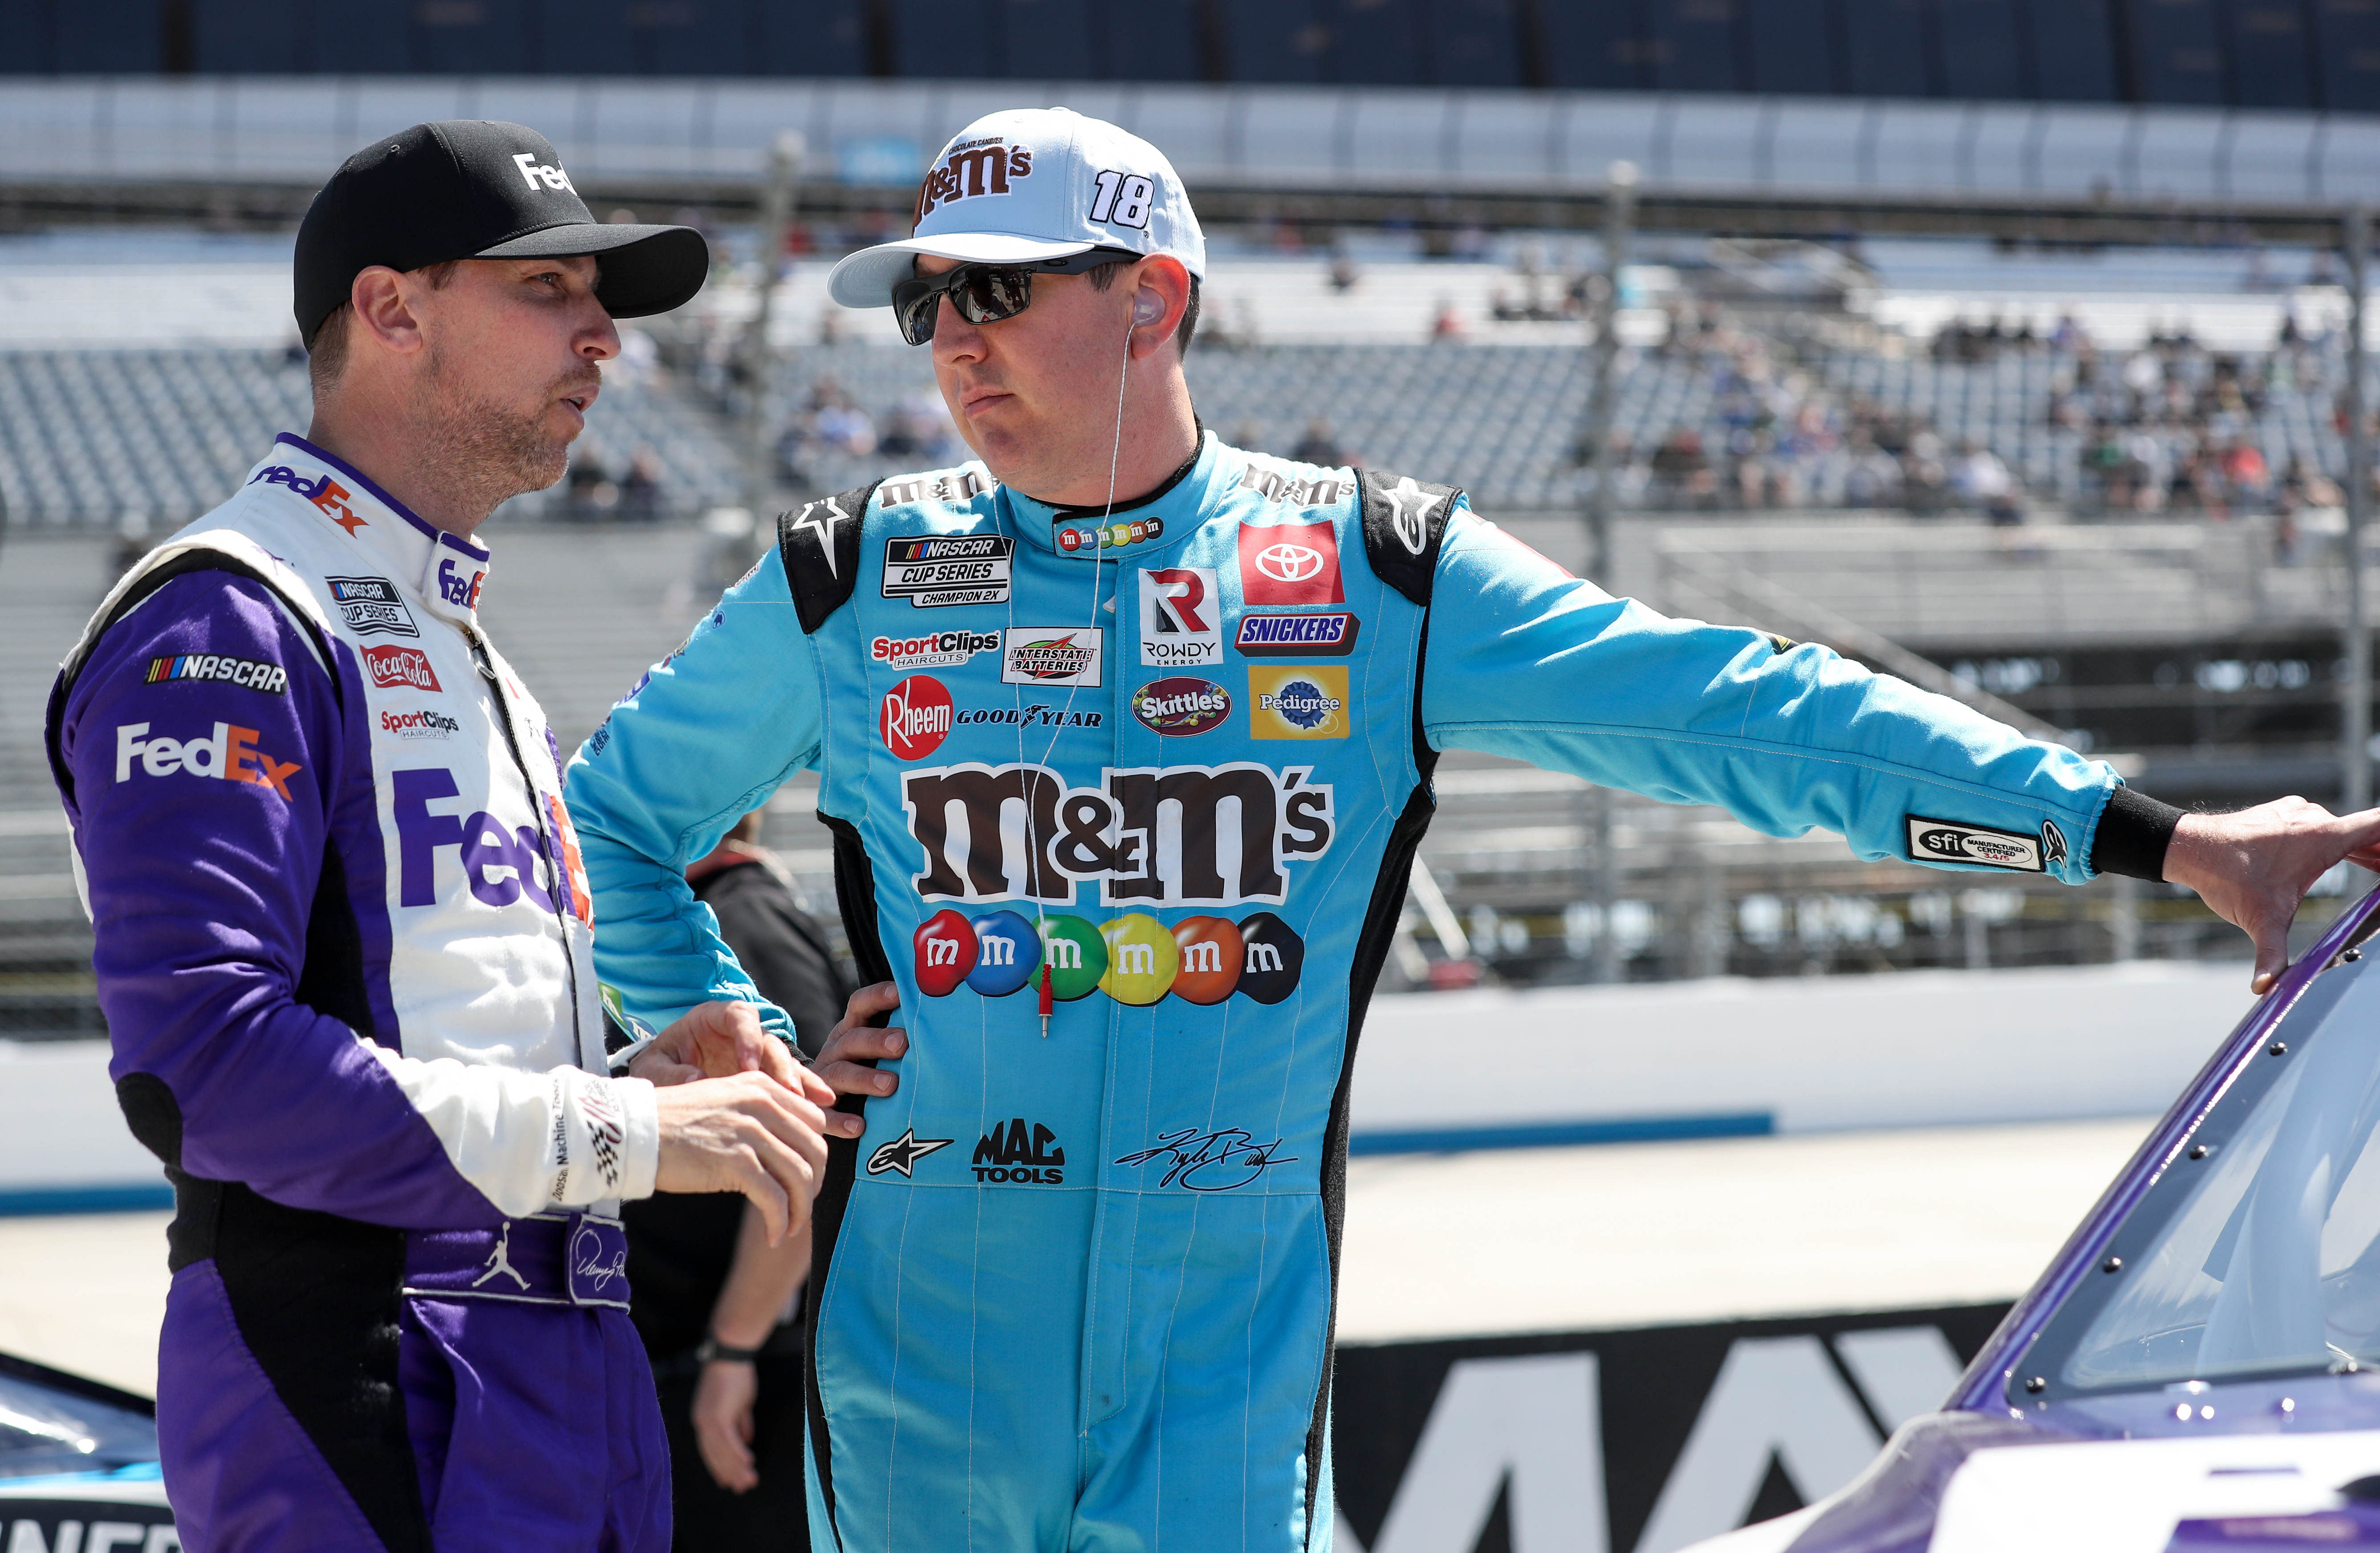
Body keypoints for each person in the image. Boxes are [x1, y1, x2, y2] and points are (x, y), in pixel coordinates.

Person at [561, 106, 2380, 1552]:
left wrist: (2149, 835)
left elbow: (1743, 714)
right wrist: (744, 1028)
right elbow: (615, 819)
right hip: (918, 1347)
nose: (950, 343)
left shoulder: (1374, 573)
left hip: (1219, 1359)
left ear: (1155, 299)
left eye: (999, 290)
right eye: (925, 302)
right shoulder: (855, 575)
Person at [44, 120, 857, 1553]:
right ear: (392, 309)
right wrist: (629, 1128)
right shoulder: (227, 616)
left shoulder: (461, 639)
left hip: (562, 1361)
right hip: (362, 1357)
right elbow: (205, 1067)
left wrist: (627, 1072)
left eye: (601, 301)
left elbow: (442, 1043)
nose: (604, 335)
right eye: (547, 290)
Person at [624, 810, 850, 1550]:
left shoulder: (741, 918)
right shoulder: (703, 922)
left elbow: (814, 1135)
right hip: (701, 1365)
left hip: (736, 1380)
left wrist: (734, 1348)